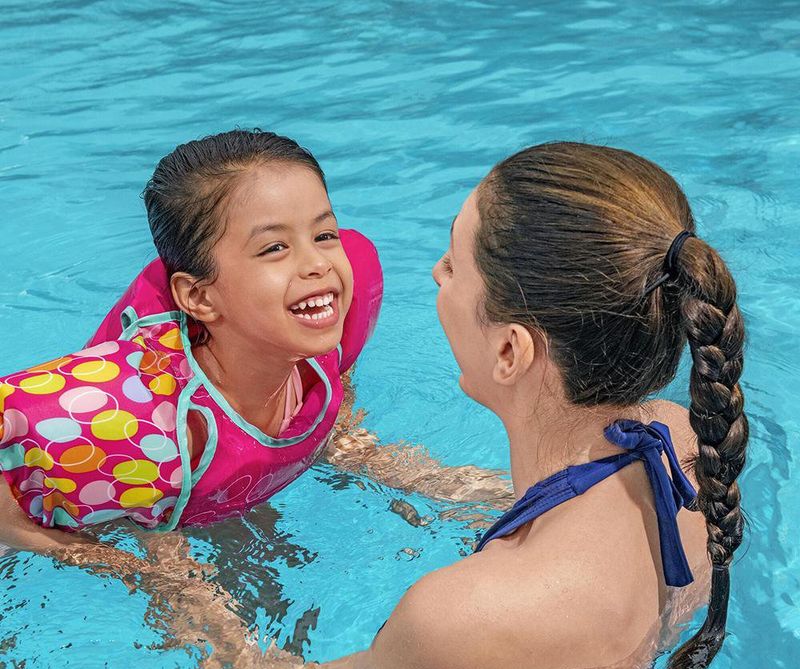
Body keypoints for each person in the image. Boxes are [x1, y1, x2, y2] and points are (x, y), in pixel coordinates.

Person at [184, 142, 746, 669]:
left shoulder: (454, 617)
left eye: (454, 265)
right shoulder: (680, 444)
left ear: (510, 349)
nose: (435, 274)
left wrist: (169, 567)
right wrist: (372, 461)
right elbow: (557, 520)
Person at [0, 130, 510, 583]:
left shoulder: (330, 309)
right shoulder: (141, 419)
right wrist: (110, 560)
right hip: (113, 482)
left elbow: (337, 404)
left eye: (324, 234)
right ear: (199, 297)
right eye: (273, 249)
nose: (318, 265)